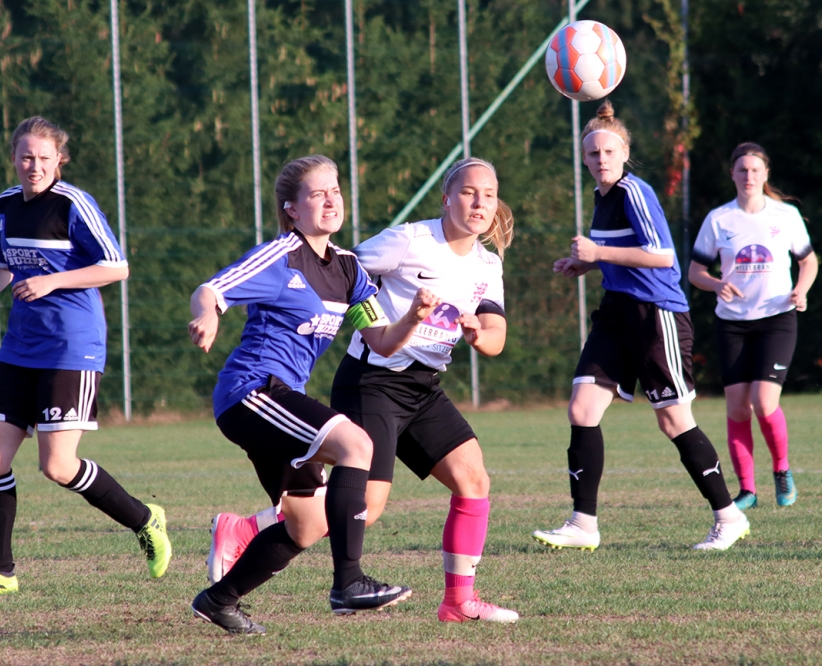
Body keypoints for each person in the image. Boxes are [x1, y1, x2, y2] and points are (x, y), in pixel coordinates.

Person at [206, 157, 520, 624]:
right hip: (372, 382)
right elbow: (335, 269)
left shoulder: (487, 264)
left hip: (424, 386)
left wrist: (477, 334)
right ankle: (255, 530)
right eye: (469, 192)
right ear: (446, 199)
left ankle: (459, 601)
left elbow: (496, 337)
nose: (479, 202)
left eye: (488, 195)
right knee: (365, 508)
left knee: (473, 479)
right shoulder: (410, 240)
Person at [188, 154, 436, 635]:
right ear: (292, 209)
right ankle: (349, 583)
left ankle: (219, 600)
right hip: (251, 391)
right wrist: (207, 315)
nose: (330, 200)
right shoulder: (281, 255)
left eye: (335, 191)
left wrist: (413, 318)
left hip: (281, 396)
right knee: (356, 444)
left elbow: (381, 341)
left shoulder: (348, 269)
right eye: (317, 194)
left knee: (307, 524)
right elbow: (211, 289)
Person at [0, 117, 171, 598]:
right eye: (27, 157)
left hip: (71, 346)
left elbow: (116, 266)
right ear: (13, 157)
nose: (35, 166)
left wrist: (52, 281)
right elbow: (2, 262)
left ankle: (144, 519)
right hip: (19, 346)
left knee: (58, 465)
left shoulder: (73, 204)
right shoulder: (6, 204)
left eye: (44, 158)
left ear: (59, 160)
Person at [532, 101, 749, 552]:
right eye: (593, 153)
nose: (601, 159)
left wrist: (598, 254)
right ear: (584, 158)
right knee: (582, 410)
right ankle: (583, 524)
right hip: (616, 313)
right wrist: (587, 264)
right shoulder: (602, 198)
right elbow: (624, 254)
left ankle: (729, 517)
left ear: (625, 153)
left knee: (673, 421)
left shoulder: (634, 191)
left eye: (609, 151)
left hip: (656, 315)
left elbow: (662, 256)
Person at [688, 143, 818, 510]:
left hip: (777, 320)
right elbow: (695, 272)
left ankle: (782, 470)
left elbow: (808, 262)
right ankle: (747, 490)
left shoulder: (786, 215)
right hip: (732, 324)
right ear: (732, 174)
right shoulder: (719, 219)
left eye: (755, 170)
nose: (748, 176)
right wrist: (716, 284)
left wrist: (802, 290)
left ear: (765, 174)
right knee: (737, 409)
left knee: (763, 401)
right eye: (742, 170)